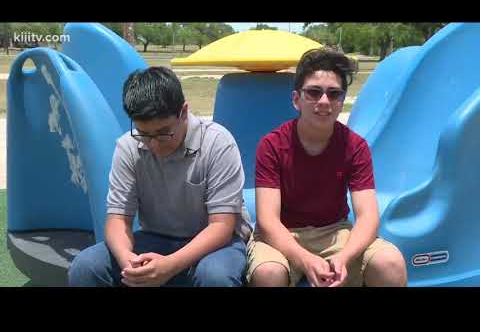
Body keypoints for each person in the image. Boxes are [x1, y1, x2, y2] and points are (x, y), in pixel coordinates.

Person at [69, 66, 251, 287]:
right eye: (144, 134)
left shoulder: (218, 142)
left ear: (184, 112)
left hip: (215, 243)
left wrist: (170, 265)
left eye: (164, 133)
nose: (154, 144)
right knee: (86, 266)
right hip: (157, 236)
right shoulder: (128, 147)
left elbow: (221, 226)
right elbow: (118, 218)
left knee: (215, 276)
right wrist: (127, 260)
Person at [246, 48, 407, 287]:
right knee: (268, 273)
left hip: (335, 233)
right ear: (296, 99)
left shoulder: (355, 146)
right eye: (313, 92)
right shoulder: (272, 145)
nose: (324, 101)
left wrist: (343, 257)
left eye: (334, 94)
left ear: (342, 101)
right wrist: (305, 259)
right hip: (284, 233)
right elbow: (268, 221)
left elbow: (368, 217)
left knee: (390, 263)